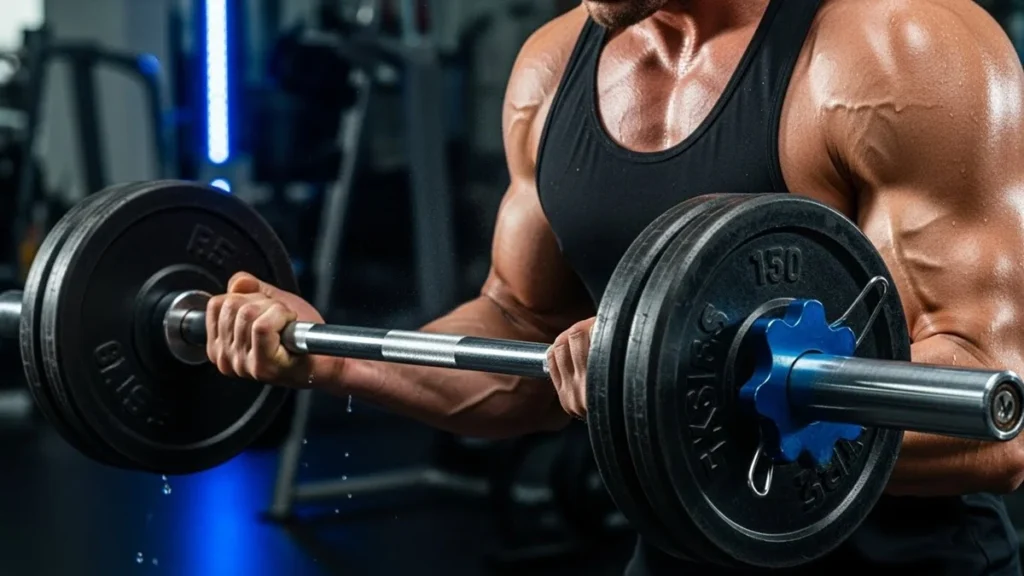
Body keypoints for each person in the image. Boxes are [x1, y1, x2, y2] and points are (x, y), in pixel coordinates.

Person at [205, 0, 1024, 573]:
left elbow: (997, 416)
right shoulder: (552, 70)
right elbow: (520, 325)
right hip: (682, 552)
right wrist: (326, 357)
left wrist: (672, 376)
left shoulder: (896, 50)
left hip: (906, 565)